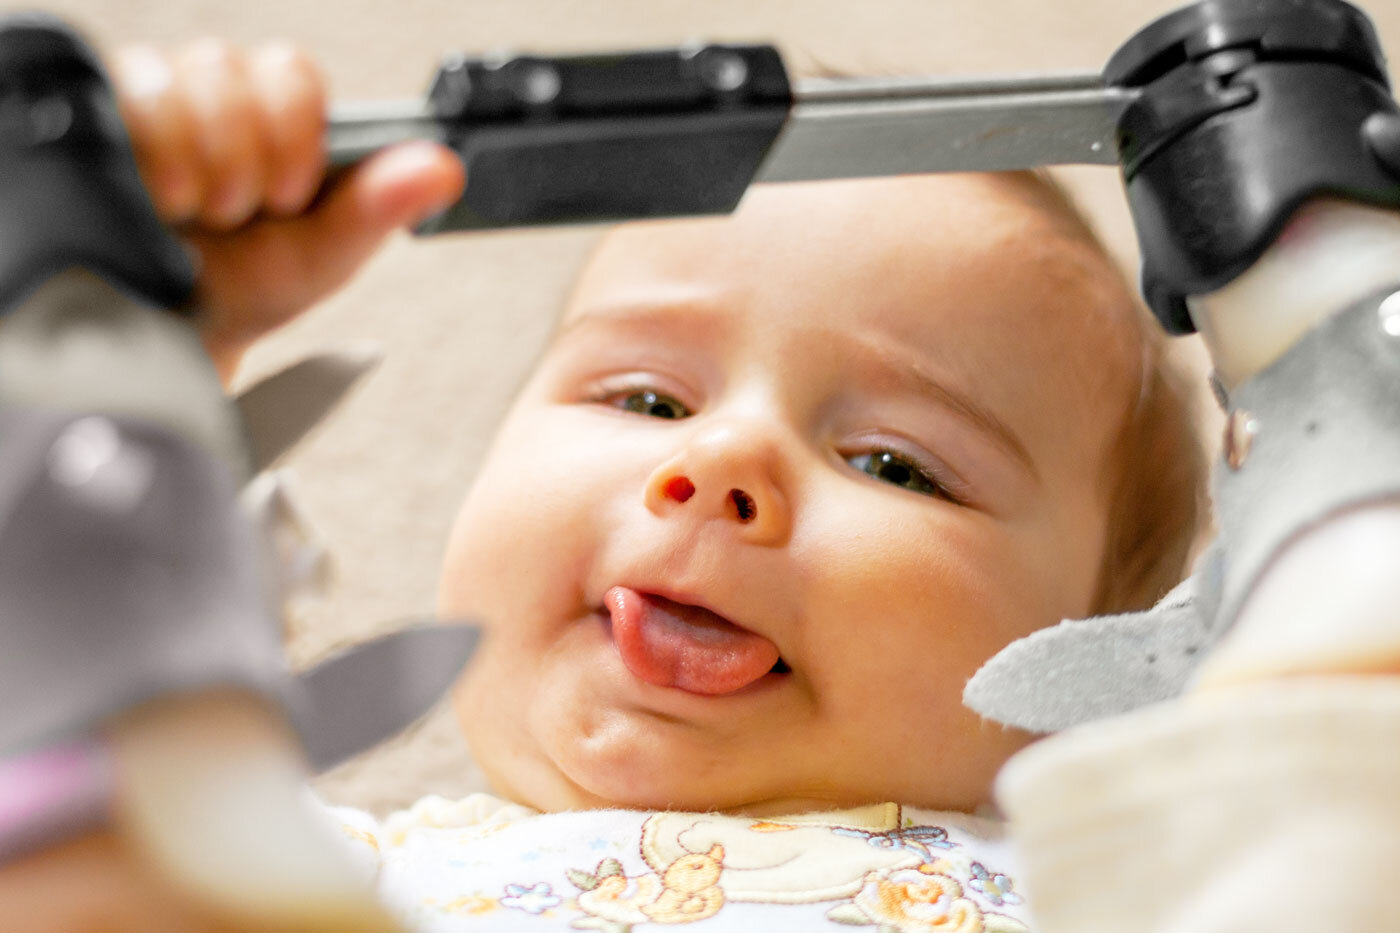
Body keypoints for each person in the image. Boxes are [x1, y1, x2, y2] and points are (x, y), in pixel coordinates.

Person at [1, 37, 1208, 930]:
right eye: (643, 401)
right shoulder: (329, 864)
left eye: (894, 464)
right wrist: (131, 350)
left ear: (1100, 670)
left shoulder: (1129, 885)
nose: (717, 465)